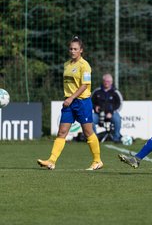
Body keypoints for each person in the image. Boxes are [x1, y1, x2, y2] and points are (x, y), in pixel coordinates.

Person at [37, 36, 103, 170]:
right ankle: (51, 161)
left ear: (81, 50)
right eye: (71, 48)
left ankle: (97, 161)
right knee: (62, 132)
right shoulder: (66, 64)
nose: (72, 51)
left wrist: (71, 98)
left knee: (88, 132)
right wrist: (69, 98)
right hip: (69, 103)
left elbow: (85, 85)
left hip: (82, 102)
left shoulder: (85, 66)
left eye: (75, 49)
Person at [92, 73, 123, 142]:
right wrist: (95, 107)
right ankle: (94, 139)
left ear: (111, 82)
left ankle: (116, 138)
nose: (106, 83)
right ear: (103, 81)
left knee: (117, 119)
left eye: (108, 81)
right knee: (90, 119)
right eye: (105, 81)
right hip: (98, 114)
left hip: (111, 113)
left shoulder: (115, 92)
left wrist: (112, 112)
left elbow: (120, 104)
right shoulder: (97, 91)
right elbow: (90, 102)